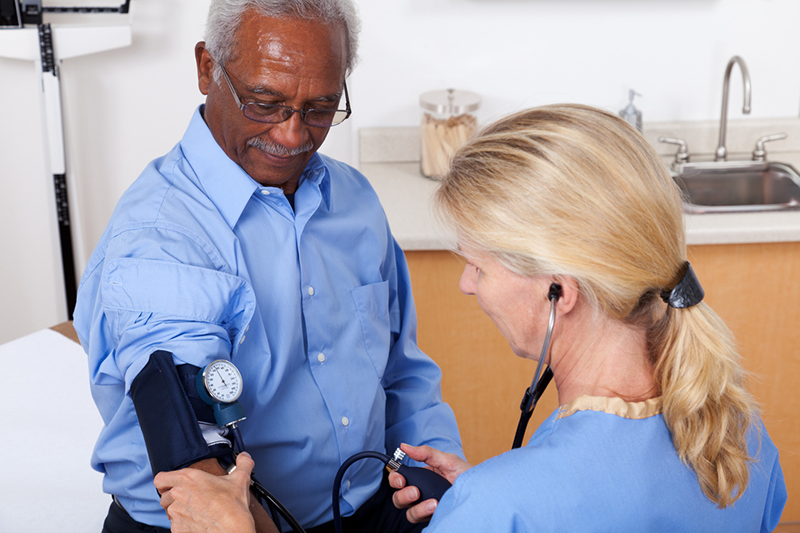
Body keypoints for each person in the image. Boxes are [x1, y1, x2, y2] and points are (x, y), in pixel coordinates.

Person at [154, 104, 788, 532]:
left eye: (478, 266)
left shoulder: (502, 506)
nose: (466, 284)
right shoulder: (738, 438)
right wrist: (491, 493)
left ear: (559, 293)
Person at [73, 1, 462, 532]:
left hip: (369, 503)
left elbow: (402, 370)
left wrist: (436, 477)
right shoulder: (161, 236)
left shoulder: (354, 201)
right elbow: (198, 465)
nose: (293, 135)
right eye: (264, 103)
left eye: (320, 107)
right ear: (207, 68)